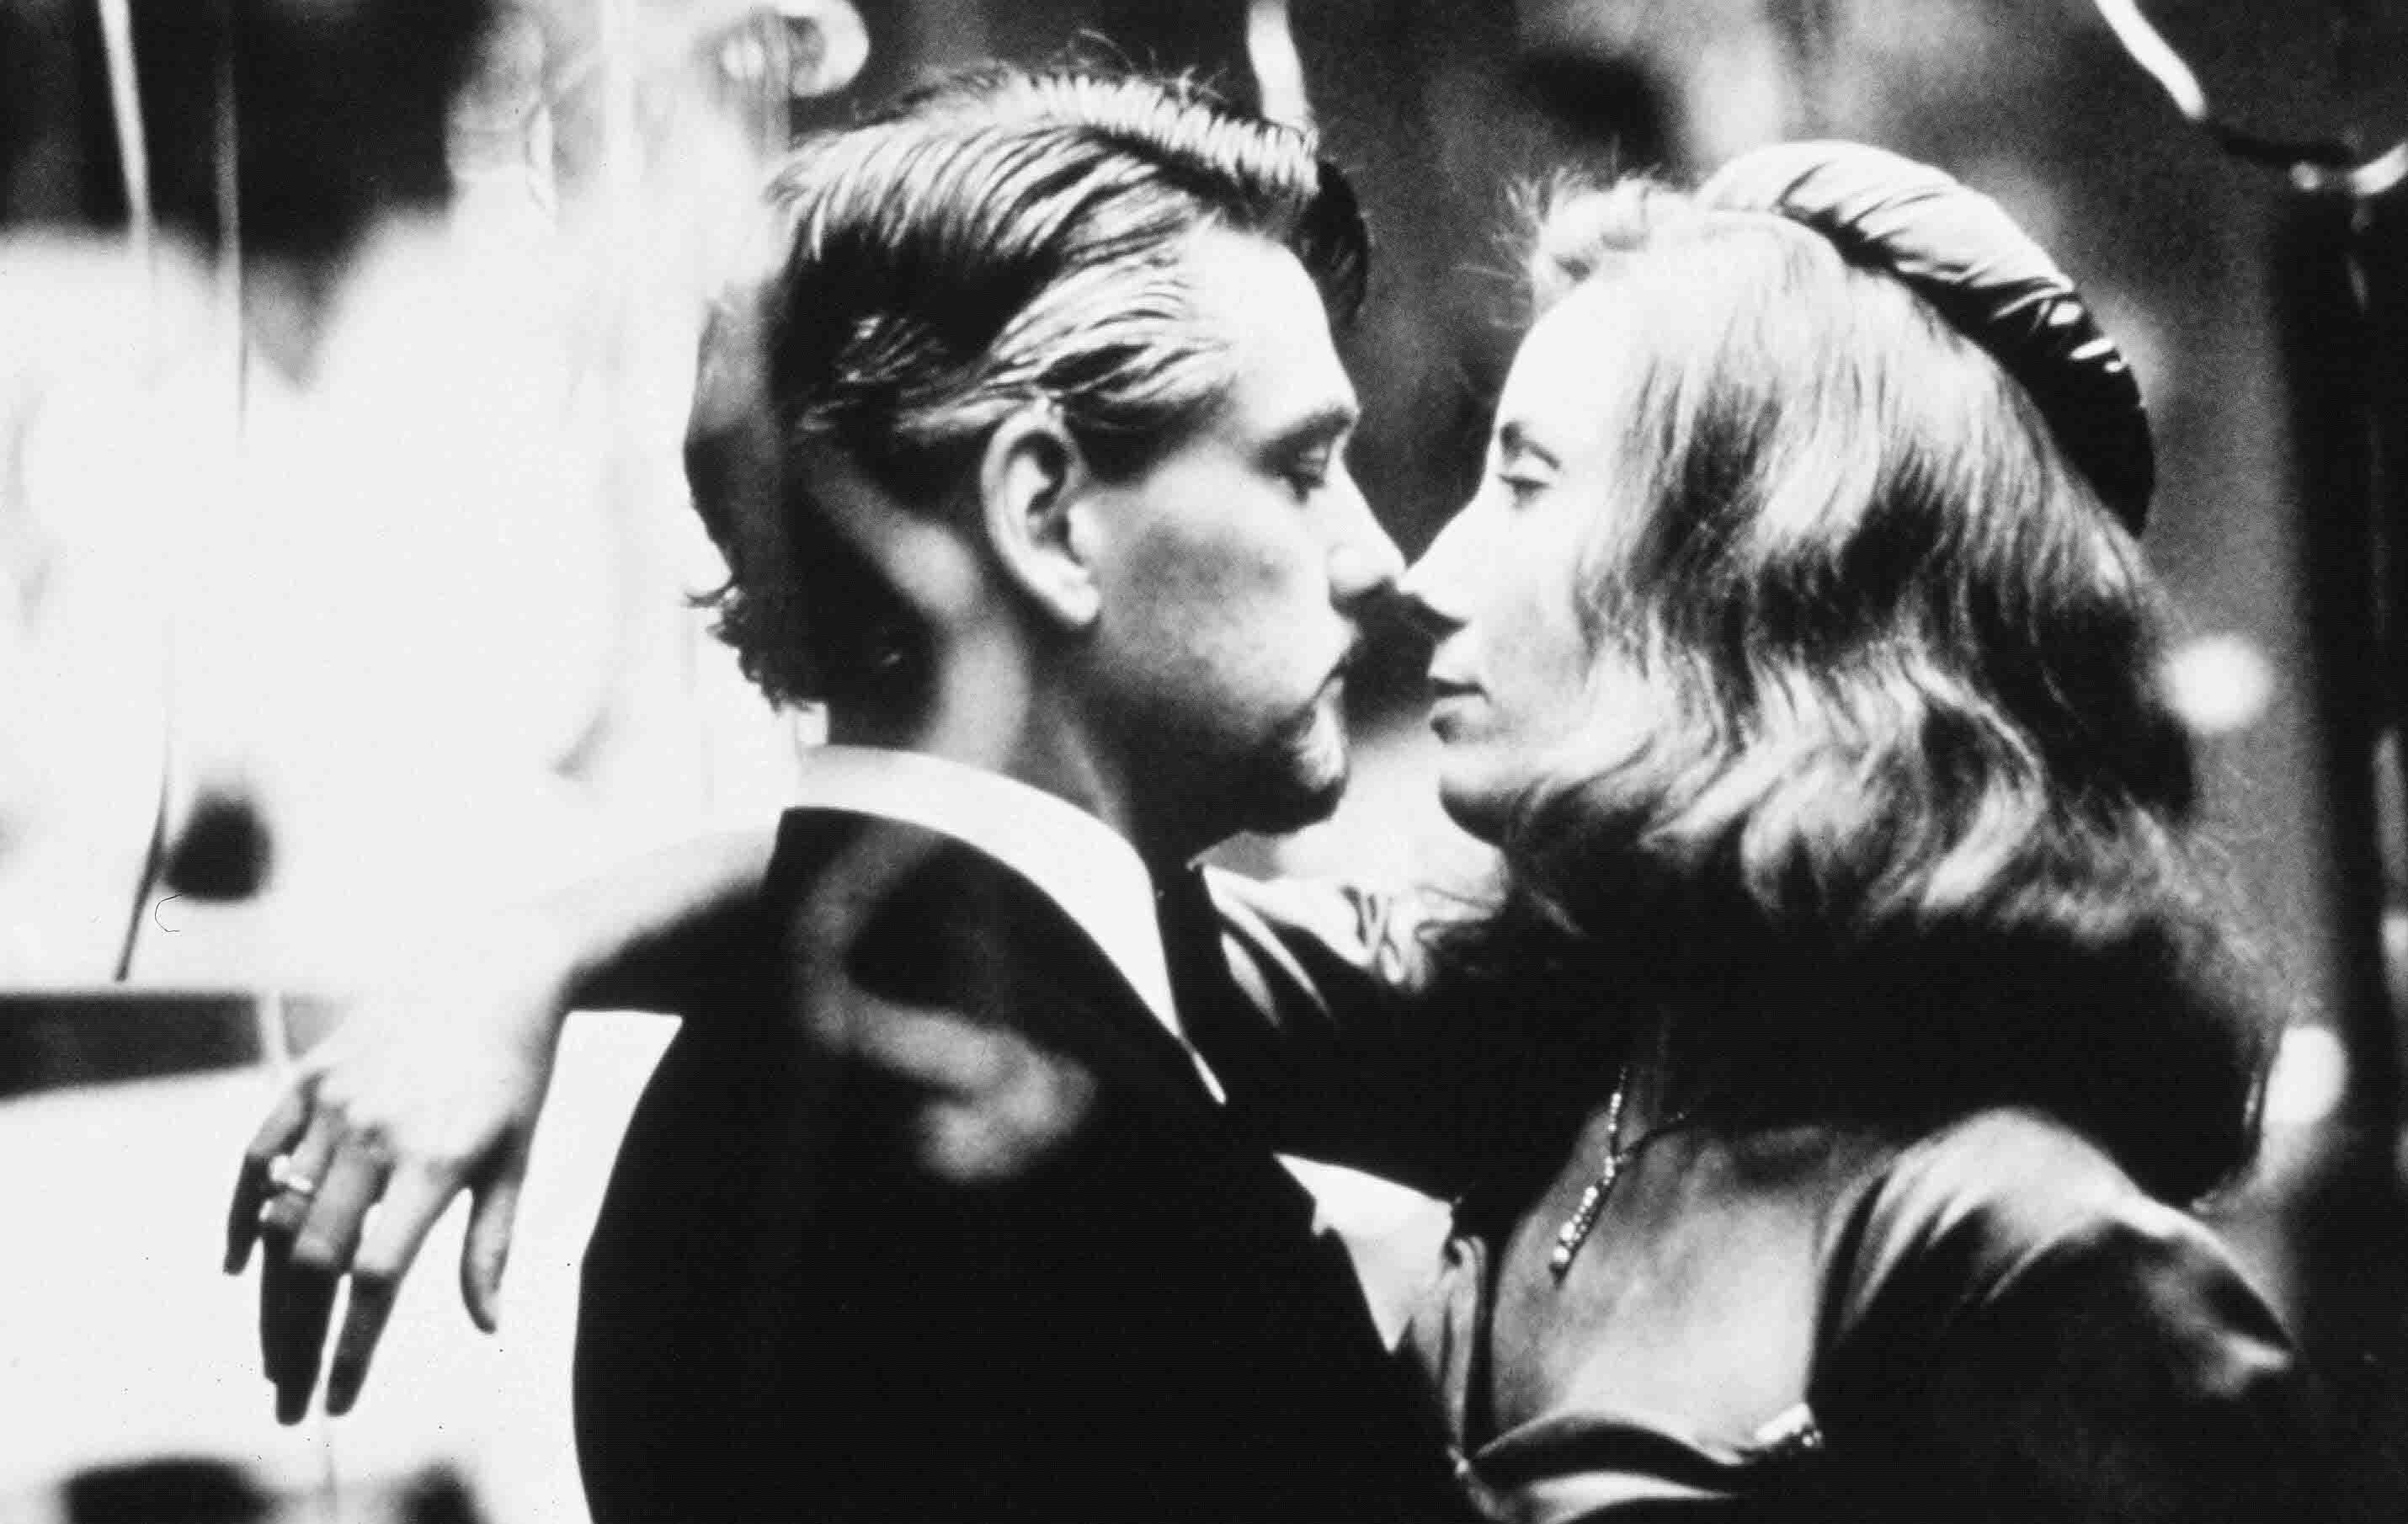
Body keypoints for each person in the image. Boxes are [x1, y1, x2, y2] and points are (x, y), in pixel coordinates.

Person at [231, 129, 2328, 1518]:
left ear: (1756, 582)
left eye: (1520, 480)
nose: (1419, 568)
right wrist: (518, 955)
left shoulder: (2026, 1252)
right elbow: (962, 906)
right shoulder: (1548, 1041)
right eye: (1319, 469)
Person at [229, 64, 1469, 1524]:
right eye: (1303, 466)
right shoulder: (1063, 1180)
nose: (1380, 557)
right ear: (1046, 516)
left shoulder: (752, 1108)